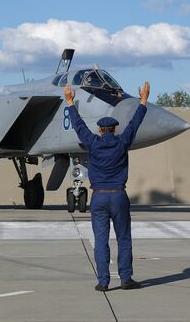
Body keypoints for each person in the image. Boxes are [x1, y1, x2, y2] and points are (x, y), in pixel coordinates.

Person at [63, 82, 149, 292]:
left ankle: (103, 282)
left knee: (101, 240)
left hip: (99, 197)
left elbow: (79, 126)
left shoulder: (92, 142)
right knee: (123, 238)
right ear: (114, 129)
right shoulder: (122, 142)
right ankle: (126, 279)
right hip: (118, 195)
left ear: (101, 129)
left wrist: (70, 102)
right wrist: (143, 101)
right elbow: (135, 124)